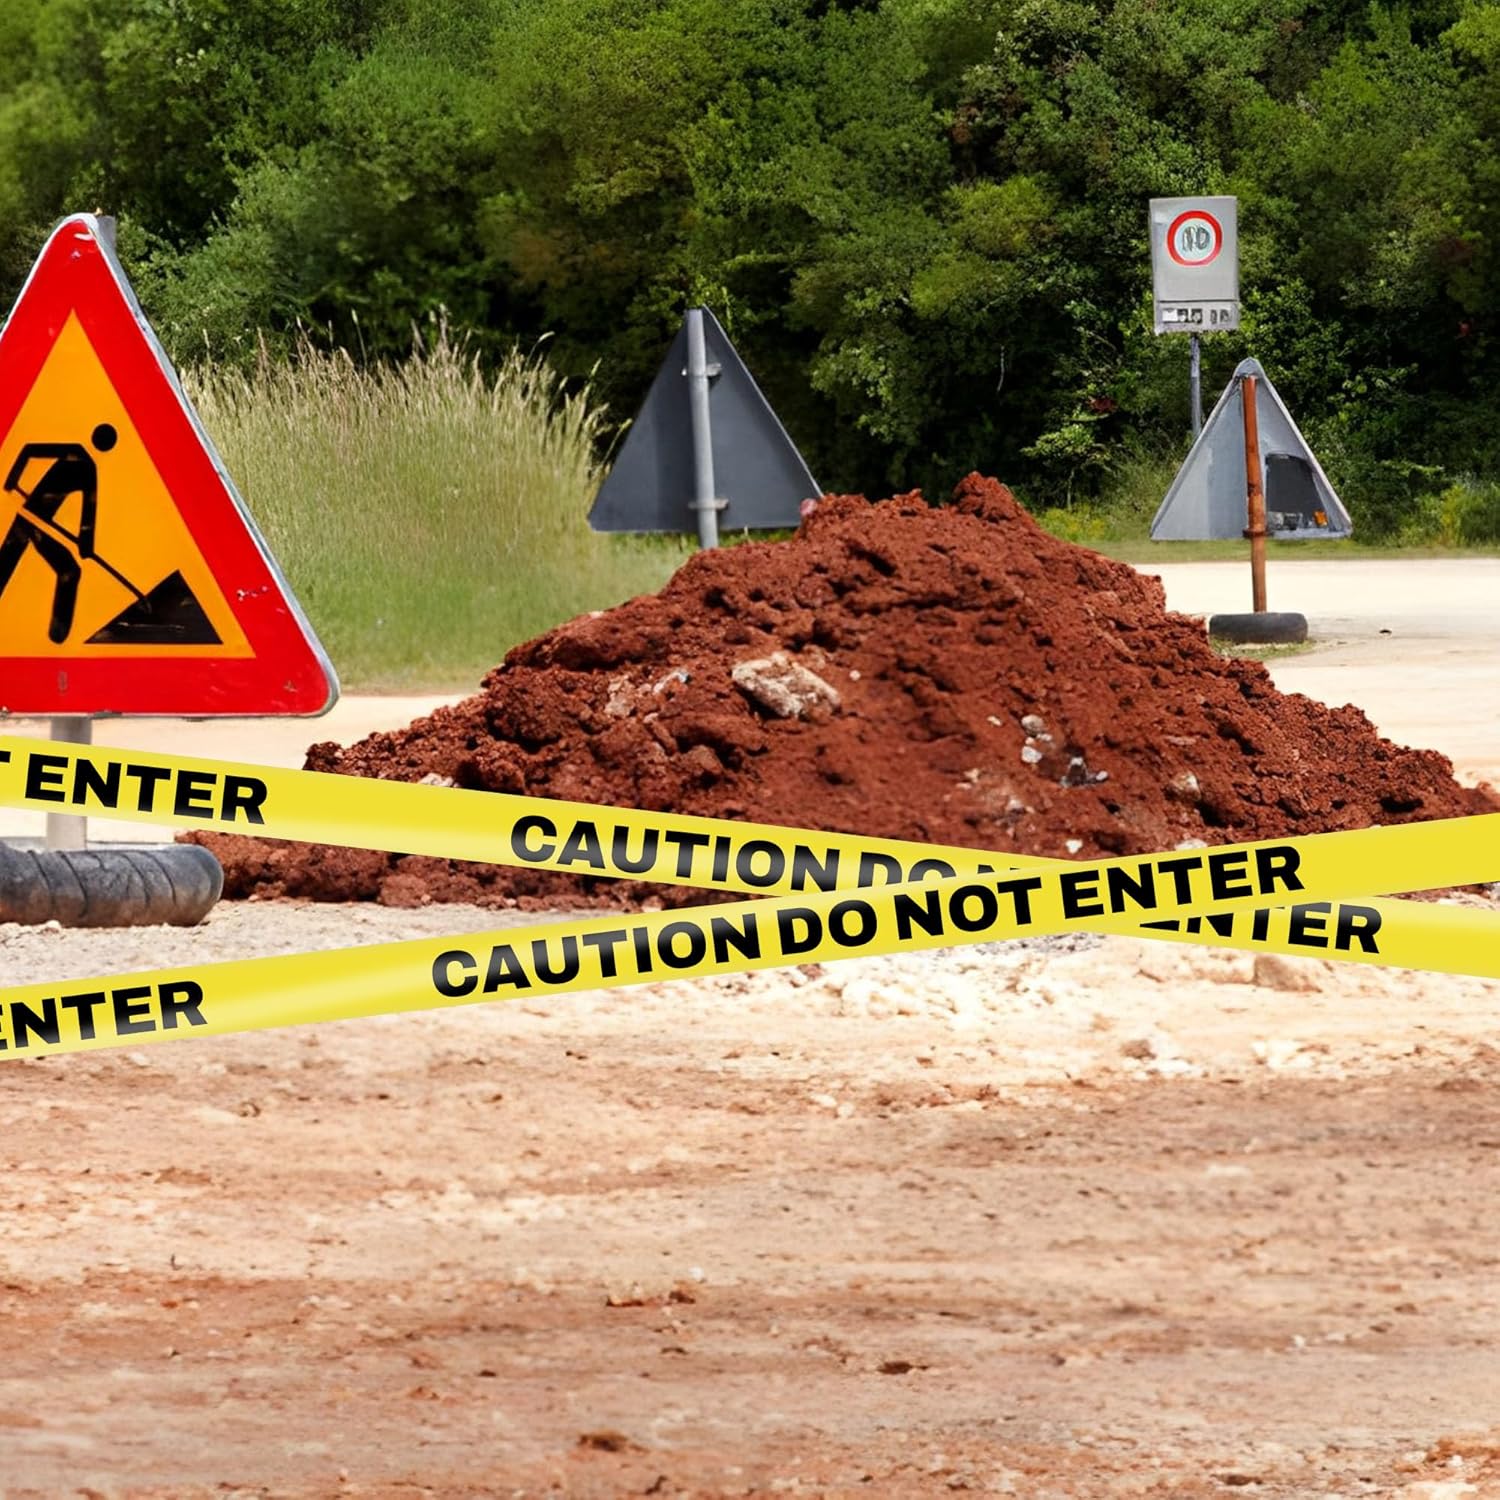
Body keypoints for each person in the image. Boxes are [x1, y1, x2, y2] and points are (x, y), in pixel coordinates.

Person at [0, 423, 116, 644]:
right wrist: (11, 480)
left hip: (37, 524)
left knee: (65, 570)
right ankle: (58, 634)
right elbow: (30, 450)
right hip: (30, 521)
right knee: (68, 571)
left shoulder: (89, 469)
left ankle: (58, 633)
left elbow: (89, 513)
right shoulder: (74, 453)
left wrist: (86, 544)